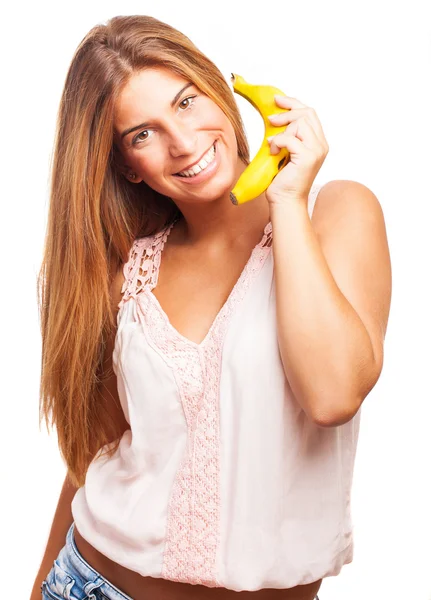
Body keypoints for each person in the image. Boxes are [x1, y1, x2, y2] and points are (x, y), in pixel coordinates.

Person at [31, 14, 392, 600]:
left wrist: (288, 201)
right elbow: (93, 452)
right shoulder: (129, 275)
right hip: (89, 584)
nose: (183, 141)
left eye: (186, 101)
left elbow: (332, 395)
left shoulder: (335, 214)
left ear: (218, 93)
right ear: (126, 165)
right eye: (142, 134)